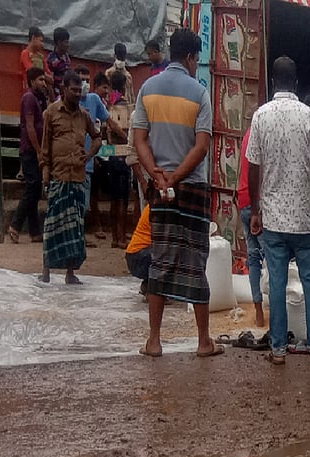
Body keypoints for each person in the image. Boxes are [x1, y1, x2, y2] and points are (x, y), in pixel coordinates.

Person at [133, 27, 218, 359]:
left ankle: (154, 341)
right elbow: (202, 146)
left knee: (161, 258)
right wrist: (178, 177)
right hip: (192, 187)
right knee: (196, 259)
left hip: (159, 187)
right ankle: (203, 342)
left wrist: (157, 173)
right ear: (192, 57)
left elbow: (140, 138)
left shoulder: (147, 89)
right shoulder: (199, 93)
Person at [246, 57, 310, 367]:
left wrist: (256, 210)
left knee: (277, 283)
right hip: (304, 217)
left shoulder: (261, 116)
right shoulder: (308, 117)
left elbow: (253, 166)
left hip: (274, 218)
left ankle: (278, 349)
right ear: (295, 83)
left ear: (272, 83)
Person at [38, 72, 100, 284]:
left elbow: (98, 138)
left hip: (78, 178)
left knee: (75, 228)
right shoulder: (51, 113)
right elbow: (45, 148)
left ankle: (70, 273)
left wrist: (89, 154)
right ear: (64, 89)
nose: (76, 94)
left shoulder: (84, 116)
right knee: (52, 225)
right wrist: (45, 175)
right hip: (58, 176)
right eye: (73, 90)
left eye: (79, 90)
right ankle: (46, 270)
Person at [9, 68, 49, 244]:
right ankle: (15, 225)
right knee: (32, 187)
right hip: (29, 150)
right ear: (32, 81)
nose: (43, 83)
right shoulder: (29, 98)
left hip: (33, 149)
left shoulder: (39, 99)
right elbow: (30, 127)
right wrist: (39, 150)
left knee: (34, 189)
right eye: (41, 80)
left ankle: (34, 232)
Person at [74, 65, 113, 247]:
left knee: (82, 204)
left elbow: (106, 124)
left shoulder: (94, 100)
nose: (84, 84)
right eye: (81, 80)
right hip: (67, 165)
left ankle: (78, 237)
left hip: (86, 164)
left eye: (87, 80)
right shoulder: (62, 104)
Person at [237, 127, 265, 327]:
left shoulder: (248, 135)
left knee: (254, 258)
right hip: (259, 203)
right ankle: (280, 314)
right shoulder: (264, 134)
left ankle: (259, 312)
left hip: (244, 200)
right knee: (274, 259)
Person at [105, 71, 134, 249]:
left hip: (111, 153)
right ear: (124, 86)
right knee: (122, 198)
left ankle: (115, 237)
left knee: (114, 199)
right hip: (123, 154)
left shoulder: (109, 106)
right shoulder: (127, 107)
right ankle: (122, 237)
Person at [125, 205, 152, 295]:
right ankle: (154, 289)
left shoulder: (154, 205)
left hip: (136, 255)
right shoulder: (159, 208)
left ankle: (149, 284)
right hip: (140, 257)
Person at [20, 26, 49, 91]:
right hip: (30, 90)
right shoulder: (25, 53)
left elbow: (48, 72)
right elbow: (32, 71)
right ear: (33, 38)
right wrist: (46, 76)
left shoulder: (41, 56)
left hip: (42, 90)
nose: (42, 44)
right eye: (41, 41)